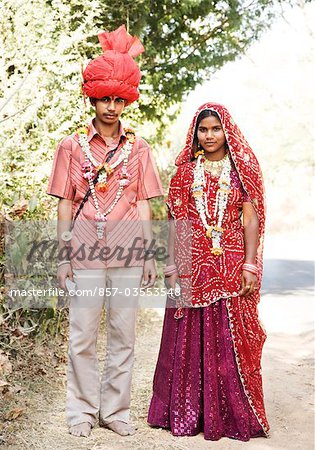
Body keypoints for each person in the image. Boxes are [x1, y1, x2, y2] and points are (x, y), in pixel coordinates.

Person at [47, 25, 163, 438]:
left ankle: (115, 412)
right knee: (82, 336)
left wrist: (150, 255)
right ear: (92, 96)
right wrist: (62, 257)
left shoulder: (140, 147)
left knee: (123, 336)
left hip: (129, 254)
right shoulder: (71, 146)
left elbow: (146, 201)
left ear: (126, 98)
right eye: (104, 98)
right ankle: (80, 411)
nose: (111, 107)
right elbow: (64, 202)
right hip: (84, 254)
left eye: (118, 99)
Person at [147, 102, 270, 441]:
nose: (210, 135)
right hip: (192, 264)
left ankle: (231, 416)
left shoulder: (242, 170)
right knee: (188, 334)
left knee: (232, 337)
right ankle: (189, 413)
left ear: (226, 131)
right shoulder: (186, 173)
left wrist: (249, 263)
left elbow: (251, 219)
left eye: (216, 128)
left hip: (231, 262)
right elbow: (177, 222)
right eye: (204, 129)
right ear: (196, 134)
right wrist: (172, 265)